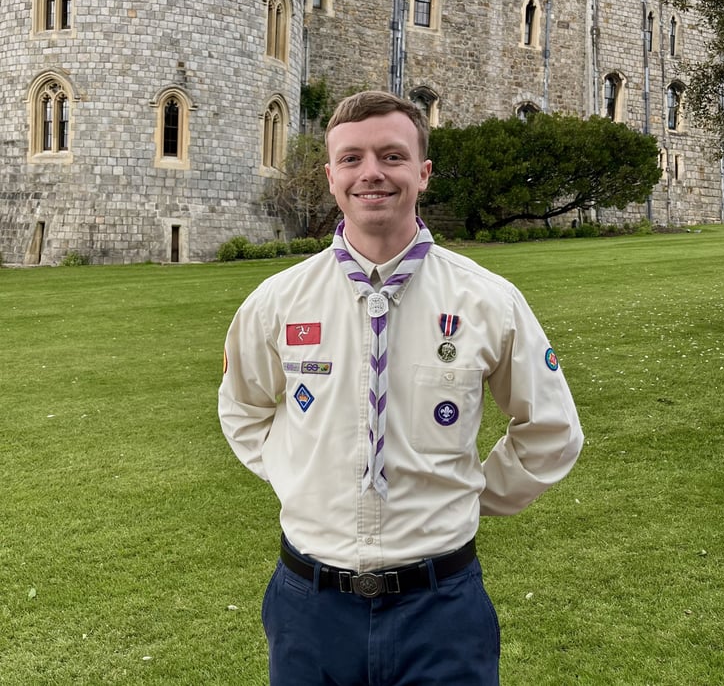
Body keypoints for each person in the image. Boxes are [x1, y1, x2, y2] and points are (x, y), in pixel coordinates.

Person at [218, 90, 583, 685]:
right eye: (352, 158)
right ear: (331, 174)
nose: (372, 173)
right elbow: (243, 410)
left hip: (440, 607)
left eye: (392, 155)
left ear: (423, 172)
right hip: (310, 606)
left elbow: (550, 430)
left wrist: (475, 495)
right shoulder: (277, 303)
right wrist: (302, 475)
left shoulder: (487, 301)